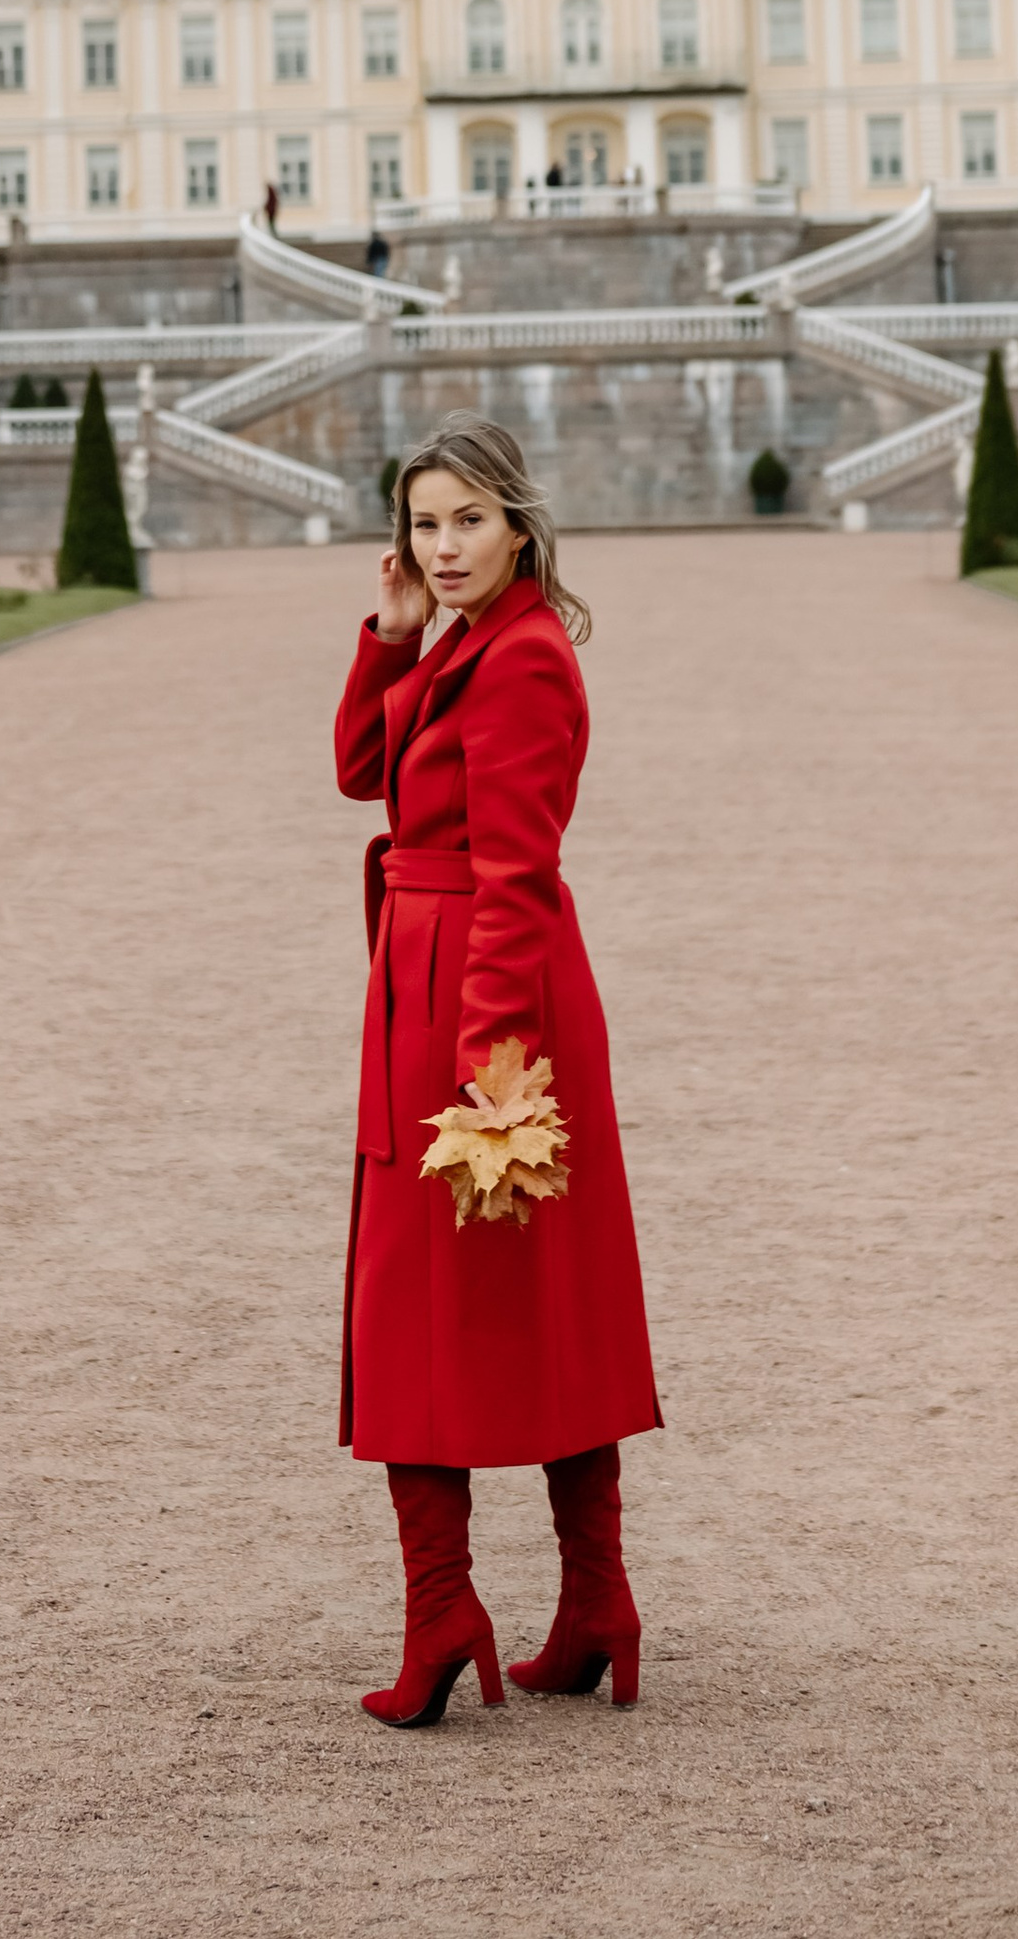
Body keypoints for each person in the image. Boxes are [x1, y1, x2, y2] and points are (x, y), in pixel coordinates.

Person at [334, 415, 659, 1728]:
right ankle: (579, 1604)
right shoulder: (465, 642)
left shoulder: (527, 662)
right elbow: (366, 774)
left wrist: (488, 1074)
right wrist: (395, 629)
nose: (446, 545)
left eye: (468, 519)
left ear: (518, 522)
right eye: (425, 522)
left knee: (431, 1304)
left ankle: (474, 1611)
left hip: (481, 997)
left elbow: (519, 875)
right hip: (432, 982)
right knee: (506, 1294)